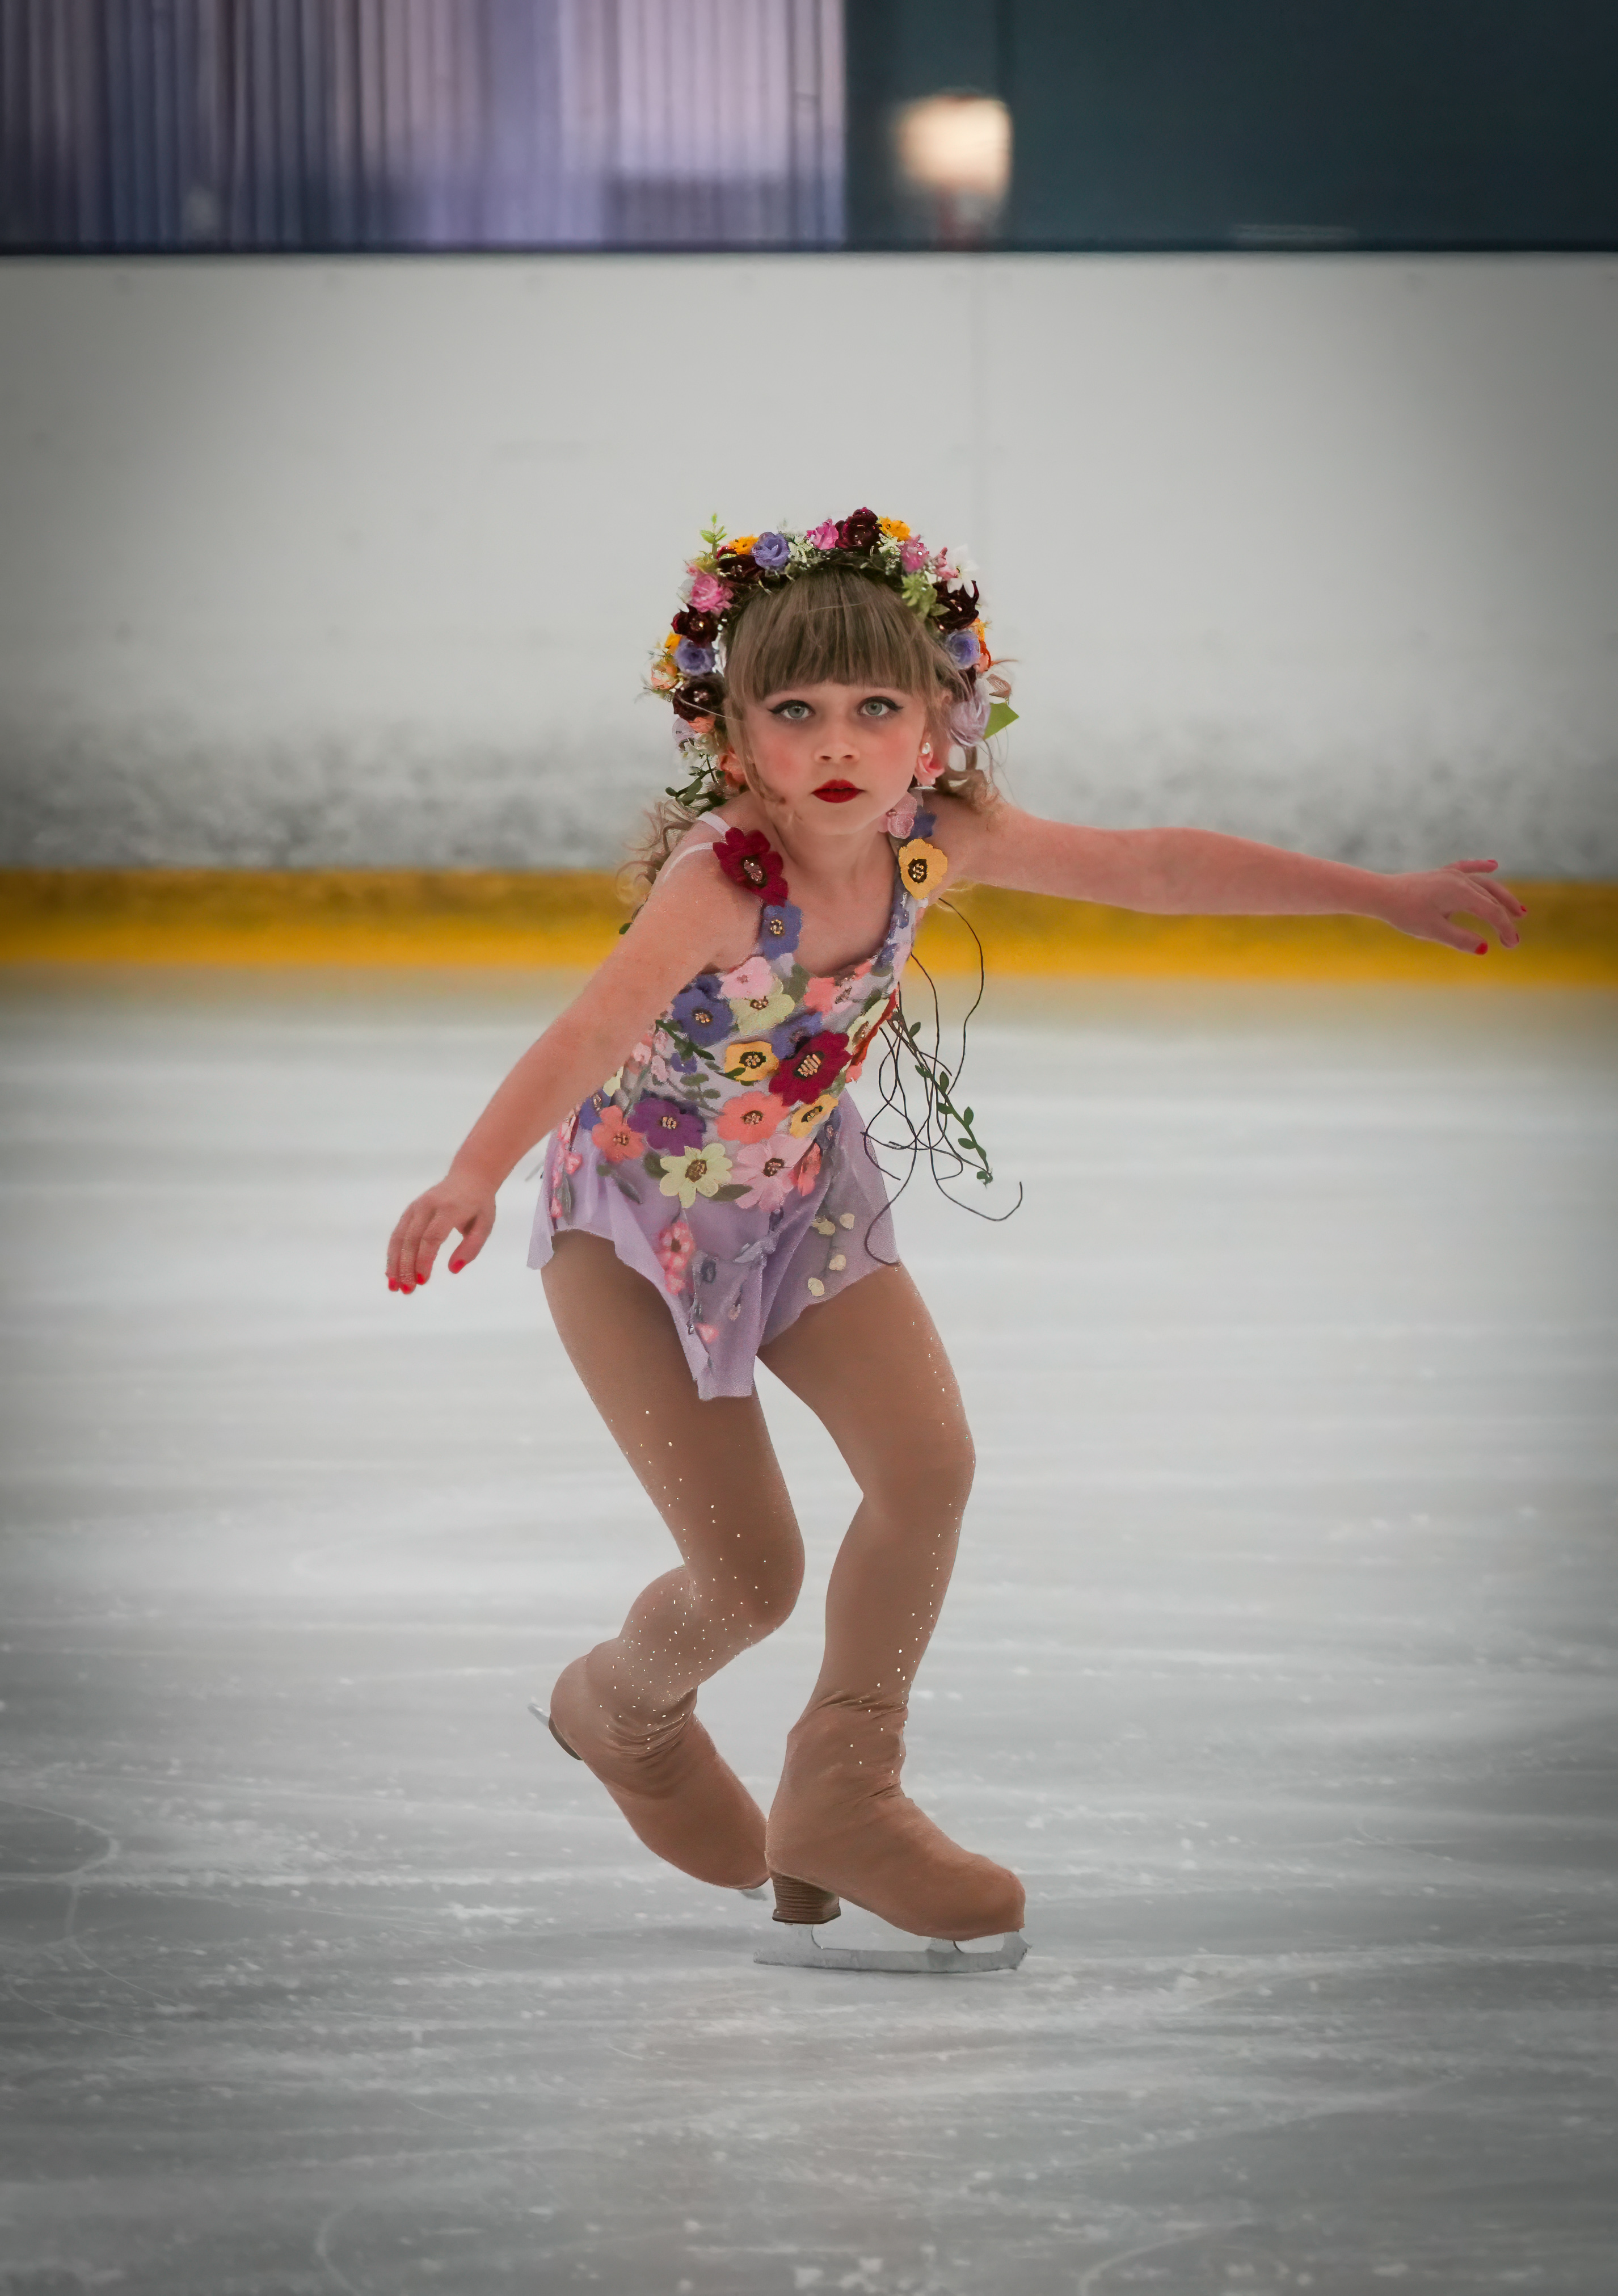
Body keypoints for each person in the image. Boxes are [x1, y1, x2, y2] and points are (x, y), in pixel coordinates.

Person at [385, 510, 1523, 1965]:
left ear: (937, 726)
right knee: (748, 1578)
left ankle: (845, 1786)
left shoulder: (934, 835)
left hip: (803, 1206)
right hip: (633, 1234)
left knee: (928, 1469)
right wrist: (473, 1170)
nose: (838, 742)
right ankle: (620, 1711)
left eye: (877, 707)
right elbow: (590, 1028)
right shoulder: (720, 882)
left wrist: (1378, 896)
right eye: (796, 711)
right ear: (732, 734)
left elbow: (1155, 868)